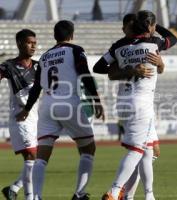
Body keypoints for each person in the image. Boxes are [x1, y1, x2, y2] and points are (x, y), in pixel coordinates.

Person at [16, 20, 104, 200]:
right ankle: (79, 194)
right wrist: (96, 100)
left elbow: (37, 87)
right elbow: (85, 74)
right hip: (68, 101)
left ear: (55, 36)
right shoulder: (75, 50)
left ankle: (36, 197)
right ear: (71, 35)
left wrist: (27, 108)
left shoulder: (45, 57)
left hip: (47, 105)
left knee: (41, 156)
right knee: (88, 149)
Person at [94, 10, 177, 200]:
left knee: (149, 151)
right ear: (150, 26)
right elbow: (172, 38)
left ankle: (146, 196)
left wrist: (124, 69)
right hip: (141, 103)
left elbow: (98, 67)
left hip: (123, 101)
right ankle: (115, 192)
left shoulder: (119, 46)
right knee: (137, 150)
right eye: (153, 26)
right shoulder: (154, 43)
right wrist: (155, 27)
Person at [0, 29, 38, 200]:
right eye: (30, 42)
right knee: (31, 156)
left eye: (35, 43)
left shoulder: (39, 66)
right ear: (19, 43)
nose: (33, 46)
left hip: (35, 117)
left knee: (36, 160)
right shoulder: (8, 66)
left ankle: (14, 189)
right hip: (20, 116)